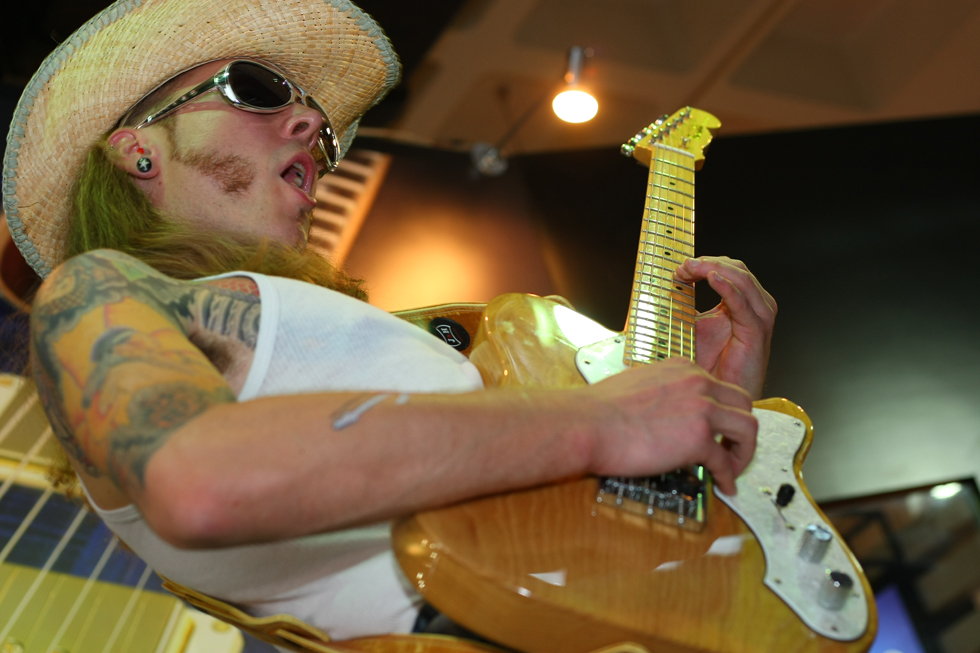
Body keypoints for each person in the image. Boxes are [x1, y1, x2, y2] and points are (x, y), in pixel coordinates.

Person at [3, 0, 776, 642]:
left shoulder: (370, 340)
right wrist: (602, 421)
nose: (310, 126)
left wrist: (702, 420)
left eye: (323, 133)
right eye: (258, 89)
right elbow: (199, 479)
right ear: (137, 151)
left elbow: (600, 538)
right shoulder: (96, 290)